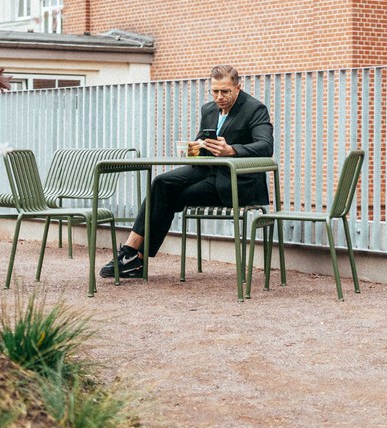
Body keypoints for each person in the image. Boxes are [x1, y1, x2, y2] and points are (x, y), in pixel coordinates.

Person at [101, 64, 274, 278]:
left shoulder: (255, 109)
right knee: (161, 183)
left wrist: (232, 150)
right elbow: (202, 141)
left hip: (236, 181)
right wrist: (193, 148)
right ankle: (131, 252)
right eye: (215, 91)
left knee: (173, 196)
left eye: (225, 92)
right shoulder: (208, 110)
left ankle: (135, 259)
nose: (219, 97)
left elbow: (265, 146)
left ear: (238, 88)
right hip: (206, 171)